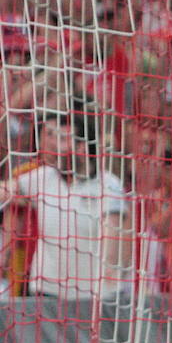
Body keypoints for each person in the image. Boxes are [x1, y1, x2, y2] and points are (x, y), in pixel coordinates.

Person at [0, 111, 132, 301]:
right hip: (46, 293)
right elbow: (5, 190)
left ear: (82, 146)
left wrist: (111, 279)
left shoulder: (108, 185)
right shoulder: (44, 176)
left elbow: (114, 241)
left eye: (62, 139)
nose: (54, 145)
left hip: (91, 297)